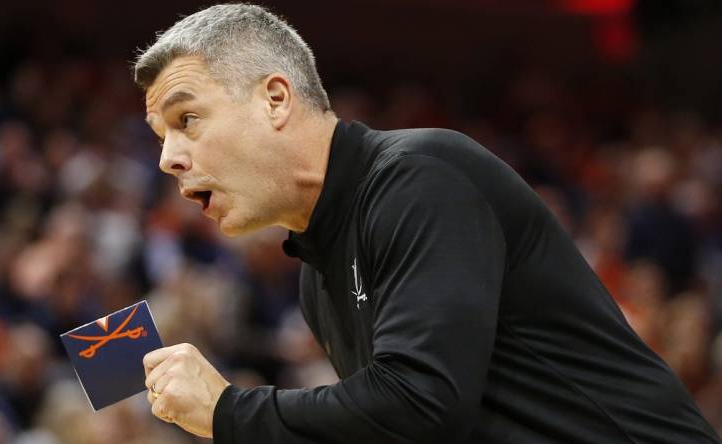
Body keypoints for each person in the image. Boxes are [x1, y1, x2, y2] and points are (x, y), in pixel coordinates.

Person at [134, 4, 720, 443]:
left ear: (276, 99)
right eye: (162, 138)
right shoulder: (317, 273)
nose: (169, 157)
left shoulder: (420, 176)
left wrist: (228, 411)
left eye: (188, 118)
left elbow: (421, 403)